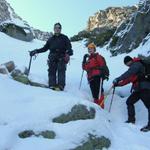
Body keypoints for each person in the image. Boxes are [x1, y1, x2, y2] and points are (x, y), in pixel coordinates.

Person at [30, 23, 73, 91]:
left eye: (58, 28)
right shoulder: (51, 39)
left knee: (61, 70)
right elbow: (45, 48)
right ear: (54, 29)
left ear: (60, 29)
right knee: (51, 71)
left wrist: (69, 52)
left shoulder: (65, 38)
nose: (57, 29)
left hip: (61, 56)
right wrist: (36, 51)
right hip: (52, 57)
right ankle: (52, 85)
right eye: (56, 27)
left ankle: (60, 86)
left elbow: (69, 47)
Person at [113, 56, 150, 132]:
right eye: (126, 64)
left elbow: (129, 73)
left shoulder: (136, 64)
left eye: (127, 63)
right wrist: (118, 84)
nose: (127, 65)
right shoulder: (134, 68)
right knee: (129, 102)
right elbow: (129, 79)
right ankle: (131, 120)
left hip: (144, 88)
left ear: (130, 60)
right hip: (138, 90)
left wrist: (118, 79)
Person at [82, 43, 109, 109]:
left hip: (98, 76)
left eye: (91, 48)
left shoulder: (98, 57)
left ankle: (101, 107)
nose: (90, 50)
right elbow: (84, 68)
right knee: (94, 93)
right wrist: (84, 60)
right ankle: (96, 108)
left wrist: (103, 74)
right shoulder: (89, 59)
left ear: (94, 49)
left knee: (99, 91)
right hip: (91, 77)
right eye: (89, 49)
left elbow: (103, 65)